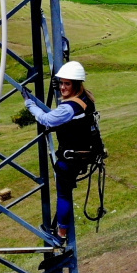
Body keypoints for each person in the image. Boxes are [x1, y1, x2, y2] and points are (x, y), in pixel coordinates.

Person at [21, 61, 102, 241]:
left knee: (63, 195)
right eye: (62, 83)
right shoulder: (86, 99)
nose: (63, 88)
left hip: (70, 159)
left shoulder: (68, 108)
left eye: (67, 84)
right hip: (83, 155)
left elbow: (46, 119)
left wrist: (29, 103)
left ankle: (60, 234)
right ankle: (60, 227)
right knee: (65, 193)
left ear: (76, 84)